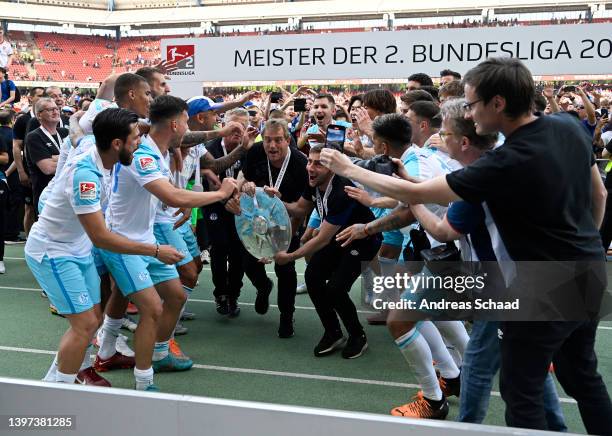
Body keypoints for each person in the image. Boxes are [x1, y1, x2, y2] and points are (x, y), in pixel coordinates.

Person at [320, 57, 612, 435]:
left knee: (520, 391)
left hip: (538, 287)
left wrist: (347, 167)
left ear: (498, 104)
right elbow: (599, 193)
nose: (470, 115)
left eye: (472, 105)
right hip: (587, 270)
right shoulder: (567, 127)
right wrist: (584, 241)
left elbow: (419, 198)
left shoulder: (502, 163)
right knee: (581, 378)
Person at [409, 97, 566, 430]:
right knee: (526, 369)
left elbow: (441, 229)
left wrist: (410, 197)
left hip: (502, 287)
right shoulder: (498, 165)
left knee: (483, 370)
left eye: (446, 133)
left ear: (464, 141)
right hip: (519, 283)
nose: (440, 137)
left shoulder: (477, 180)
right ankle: (556, 428)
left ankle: (469, 426)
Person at [24, 108, 182, 387]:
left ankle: (53, 380)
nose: (140, 142)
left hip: (77, 248)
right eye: (135, 138)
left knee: (92, 320)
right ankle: (60, 392)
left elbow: (85, 132)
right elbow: (101, 237)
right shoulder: (86, 174)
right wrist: (156, 251)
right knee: (84, 324)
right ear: (117, 143)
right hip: (54, 251)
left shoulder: (104, 150)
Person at [98, 95, 238, 391]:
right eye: (187, 120)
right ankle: (143, 381)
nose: (189, 127)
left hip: (145, 239)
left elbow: (167, 194)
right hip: (122, 242)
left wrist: (181, 200)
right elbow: (170, 196)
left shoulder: (158, 149)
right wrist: (220, 193)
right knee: (152, 308)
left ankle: (149, 351)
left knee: (174, 295)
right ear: (175, 124)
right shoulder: (144, 154)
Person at [276, 145, 381, 359]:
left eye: (318, 163)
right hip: (340, 237)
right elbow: (298, 209)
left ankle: (357, 335)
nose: (310, 168)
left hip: (363, 241)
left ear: (332, 168)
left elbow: (322, 238)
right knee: (313, 276)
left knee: (336, 288)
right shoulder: (313, 182)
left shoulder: (341, 191)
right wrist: (275, 199)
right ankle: (333, 332)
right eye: (309, 162)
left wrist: (290, 256)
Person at [235, 118, 308, 338]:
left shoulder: (299, 164)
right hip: (257, 221)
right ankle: (263, 286)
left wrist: (282, 244)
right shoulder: (256, 152)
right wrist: (245, 186)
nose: (272, 146)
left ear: (288, 140)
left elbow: (300, 211)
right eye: (268, 140)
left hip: (287, 223)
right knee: (248, 262)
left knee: (284, 268)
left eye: (278, 140)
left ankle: (287, 316)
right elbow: (244, 180)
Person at [24, 98, 68, 214]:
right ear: (39, 115)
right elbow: (48, 169)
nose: (55, 112)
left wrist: (55, 157)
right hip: (46, 194)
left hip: (65, 193)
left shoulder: (65, 133)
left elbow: (81, 156)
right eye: (50, 110)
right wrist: (70, 158)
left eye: (56, 109)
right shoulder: (34, 137)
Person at [12, 87, 44, 238]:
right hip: (30, 172)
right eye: (39, 96)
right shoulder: (23, 120)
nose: (43, 98)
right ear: (30, 98)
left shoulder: (54, 117)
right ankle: (30, 243)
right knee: (30, 209)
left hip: (49, 172)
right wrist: (21, 171)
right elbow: (17, 147)